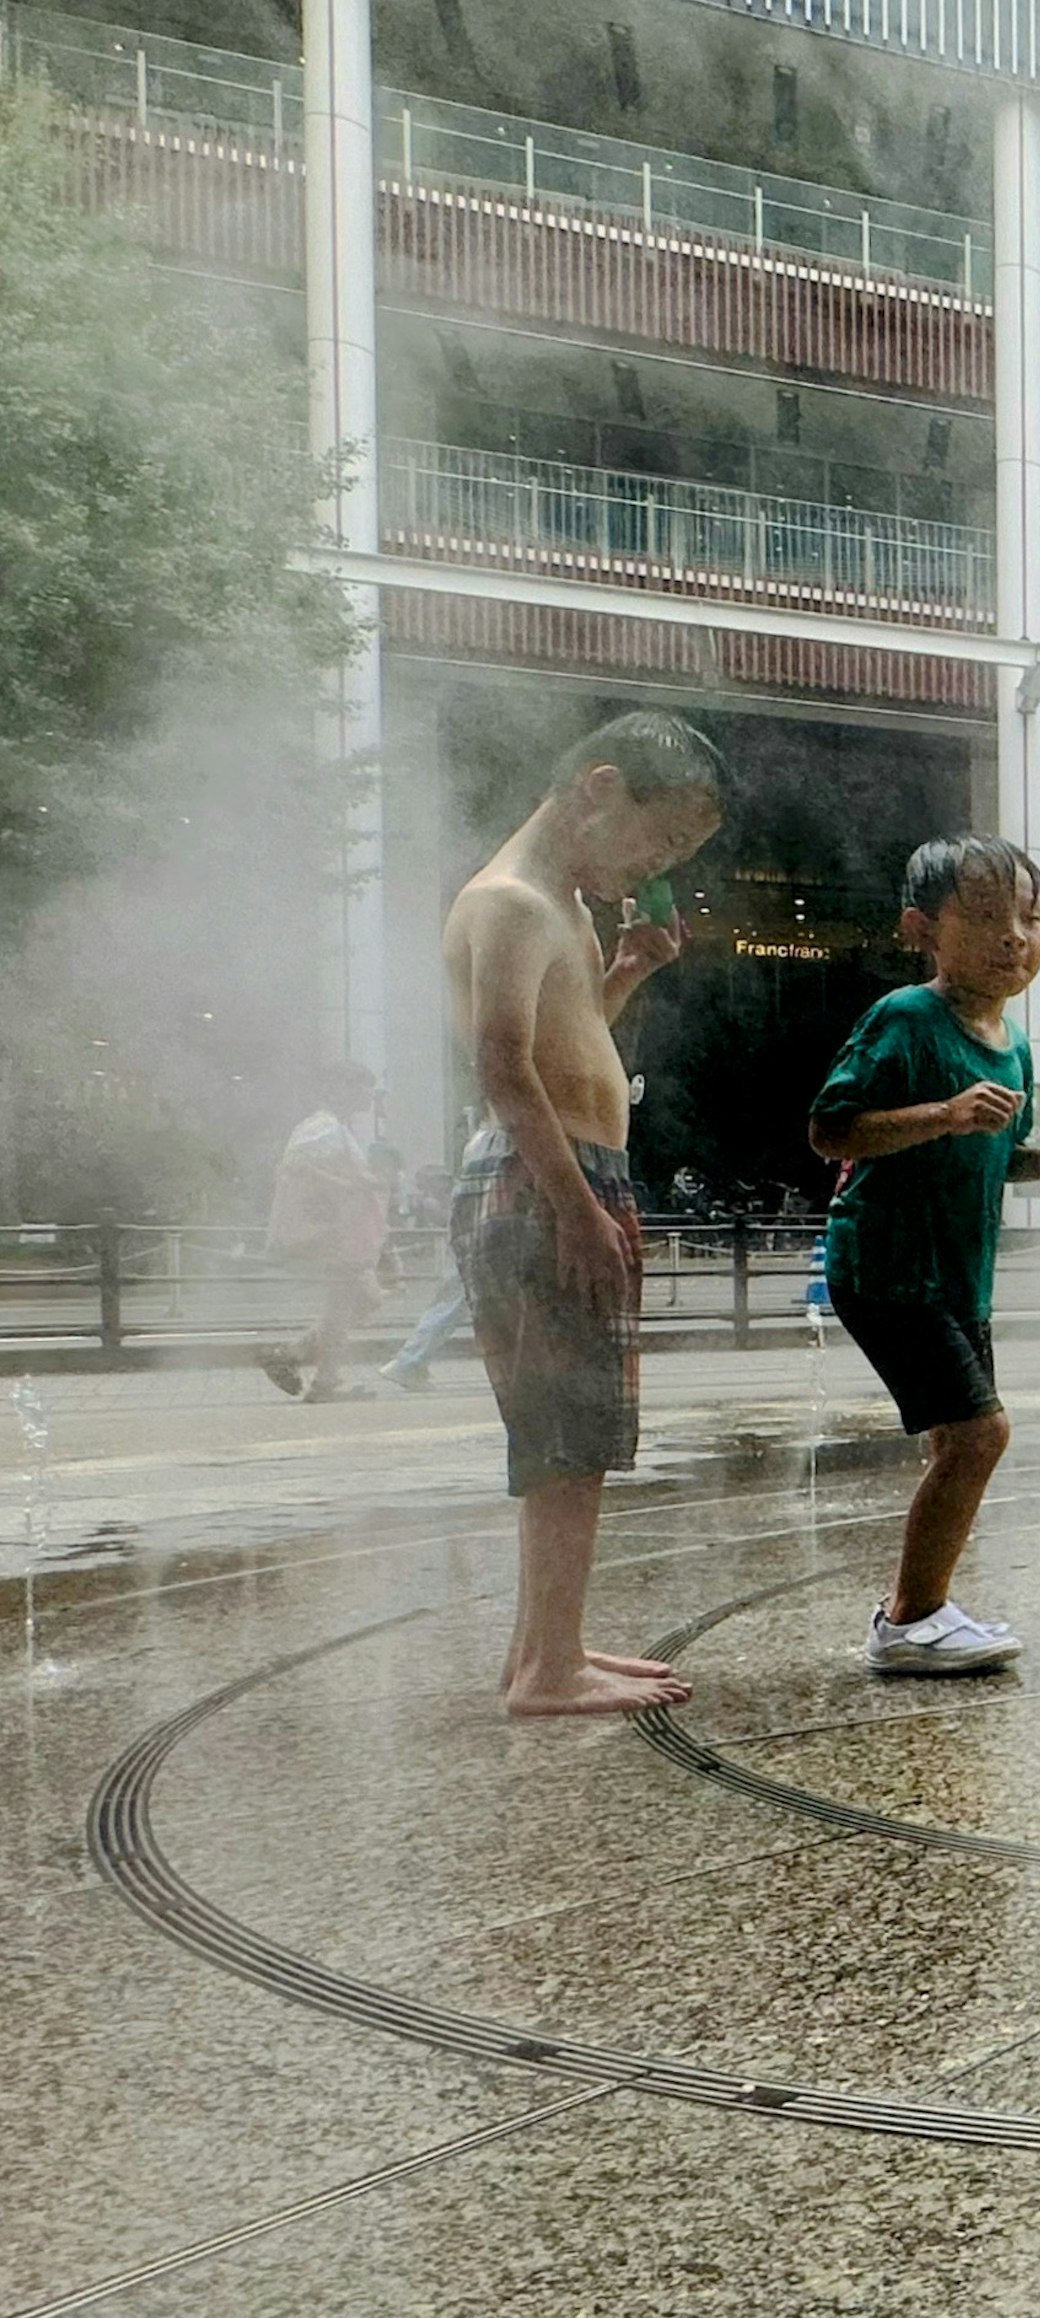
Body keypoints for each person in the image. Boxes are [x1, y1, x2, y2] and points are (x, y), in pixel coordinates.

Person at [443, 710, 724, 1717]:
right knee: (569, 1435)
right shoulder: (514, 901)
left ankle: (543, 1649)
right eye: (659, 840)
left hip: (564, 1175)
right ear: (598, 789)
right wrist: (575, 1207)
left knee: (572, 1432)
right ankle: (549, 1668)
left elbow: (570, 1036)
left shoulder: (558, 905)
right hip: (544, 1181)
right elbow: (502, 1067)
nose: (654, 864)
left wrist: (629, 971)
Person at [809, 835, 1040, 1677]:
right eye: (987, 916)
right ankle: (910, 1617)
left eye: (1033, 918)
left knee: (955, 1442)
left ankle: (925, 1610)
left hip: (959, 1276)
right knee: (980, 1435)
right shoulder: (905, 1018)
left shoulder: (1014, 1043)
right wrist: (944, 1112)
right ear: (920, 928)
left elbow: (991, 1151)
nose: (1016, 936)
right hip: (889, 1268)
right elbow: (830, 1129)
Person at [258, 1064, 390, 1401]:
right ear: (339, 1089)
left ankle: (294, 1357)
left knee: (360, 1301)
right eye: (362, 1086)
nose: (368, 1094)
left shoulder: (335, 1128)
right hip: (333, 1233)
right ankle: (322, 1380)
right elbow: (295, 1168)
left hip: (343, 1233)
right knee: (344, 1303)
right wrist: (351, 1184)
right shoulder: (322, 1127)